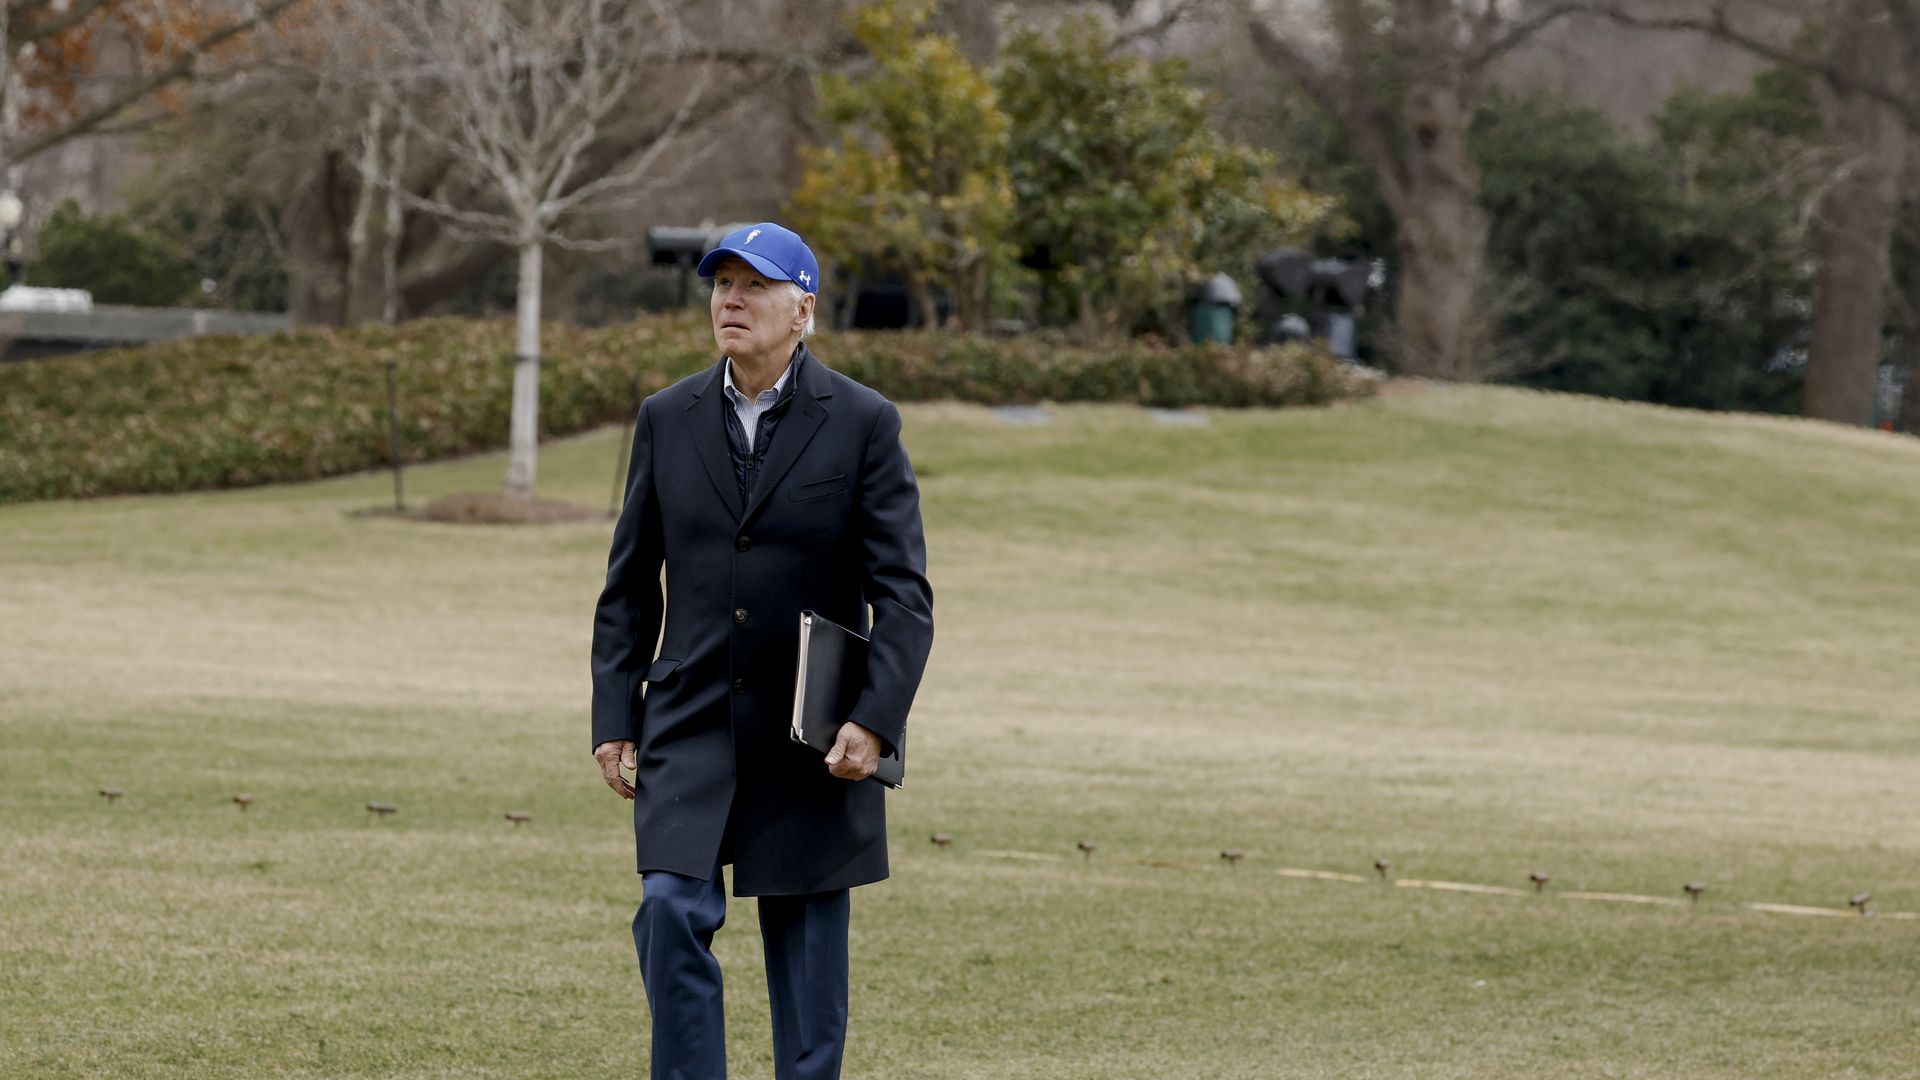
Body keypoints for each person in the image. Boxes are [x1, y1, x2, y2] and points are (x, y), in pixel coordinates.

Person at [589, 221, 934, 1080]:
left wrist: (875, 718)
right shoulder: (666, 419)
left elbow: (905, 595)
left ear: (803, 309)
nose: (731, 301)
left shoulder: (863, 422)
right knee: (668, 908)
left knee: (808, 955)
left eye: (755, 286)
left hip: (810, 732)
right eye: (721, 285)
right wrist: (613, 715)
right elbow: (630, 585)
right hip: (690, 716)